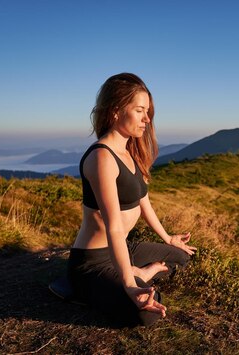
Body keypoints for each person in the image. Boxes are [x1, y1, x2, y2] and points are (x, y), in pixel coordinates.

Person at [67, 73, 196, 327]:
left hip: (122, 249)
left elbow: (143, 201)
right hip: (93, 262)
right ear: (116, 111)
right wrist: (129, 283)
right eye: (140, 110)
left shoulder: (129, 152)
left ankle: (137, 272)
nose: (147, 119)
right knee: (146, 311)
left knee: (182, 257)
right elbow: (113, 225)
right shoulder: (101, 157)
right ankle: (135, 276)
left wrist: (168, 238)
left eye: (147, 111)